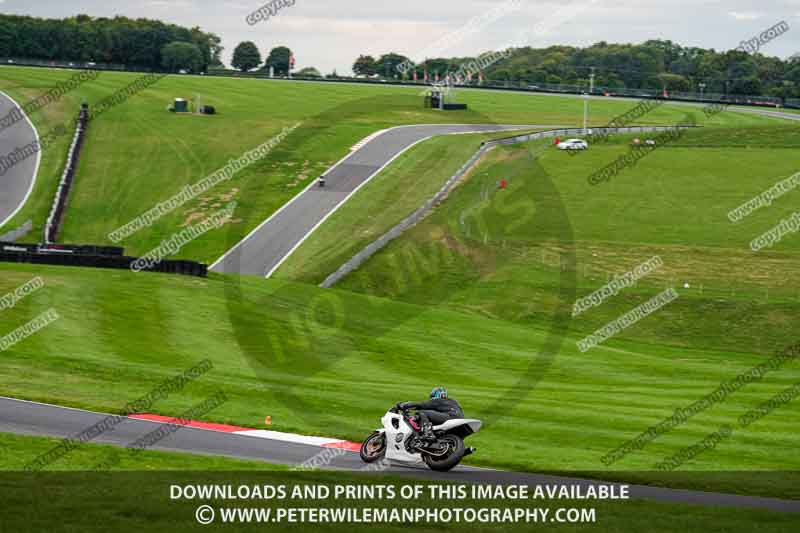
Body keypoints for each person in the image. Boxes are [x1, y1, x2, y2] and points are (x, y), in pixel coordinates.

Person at [398, 387, 464, 441]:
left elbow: (422, 405)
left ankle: (427, 433)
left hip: (449, 417)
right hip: (461, 420)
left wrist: (405, 405)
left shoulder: (438, 400)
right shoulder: (453, 401)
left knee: (422, 412)